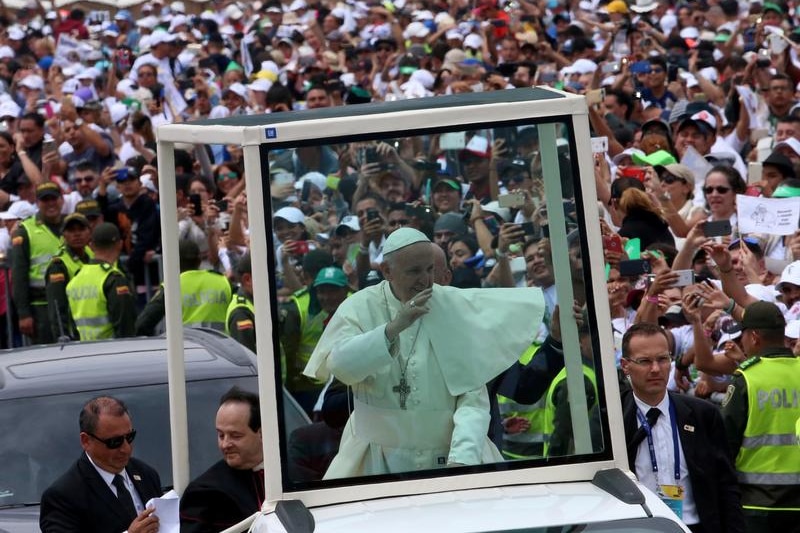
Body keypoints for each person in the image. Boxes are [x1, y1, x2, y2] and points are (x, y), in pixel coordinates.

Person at [304, 228, 545, 478]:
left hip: (450, 456)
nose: (426, 280)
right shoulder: (359, 306)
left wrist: (462, 459)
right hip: (375, 458)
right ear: (387, 271)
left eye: (430, 269)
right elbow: (341, 366)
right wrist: (391, 330)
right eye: (414, 271)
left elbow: (472, 397)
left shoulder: (454, 306)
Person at [621, 323, 744, 533]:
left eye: (662, 359)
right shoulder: (614, 419)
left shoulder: (703, 415)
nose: (655, 369)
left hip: (694, 525)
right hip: (638, 527)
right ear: (625, 365)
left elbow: (726, 485)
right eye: (644, 361)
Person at [721, 302, 800, 532]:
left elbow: (726, 444)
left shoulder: (747, 378)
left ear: (754, 337)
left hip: (758, 505)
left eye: (742, 335)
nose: (741, 342)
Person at [40, 396, 162, 533]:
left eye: (129, 437)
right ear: (86, 441)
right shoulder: (63, 496)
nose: (126, 448)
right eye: (114, 442)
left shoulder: (146, 475)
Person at [179, 386, 265, 533]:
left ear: (261, 433)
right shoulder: (204, 493)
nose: (225, 444)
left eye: (235, 436)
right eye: (221, 435)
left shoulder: (292, 475)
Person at [136, 240, 232, 335]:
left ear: (173, 262)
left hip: (185, 348)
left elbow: (142, 324)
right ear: (199, 261)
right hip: (220, 347)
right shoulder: (222, 281)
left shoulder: (171, 286)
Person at [11, 182, 65, 344]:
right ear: (37, 202)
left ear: (61, 200)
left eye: (53, 199)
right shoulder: (26, 230)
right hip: (41, 307)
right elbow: (19, 275)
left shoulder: (72, 225)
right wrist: (23, 314)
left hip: (71, 303)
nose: (50, 204)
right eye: (45, 200)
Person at [66, 223, 137, 340]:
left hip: (85, 352)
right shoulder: (114, 279)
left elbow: (72, 325)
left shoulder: (75, 279)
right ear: (120, 244)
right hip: (112, 352)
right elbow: (125, 327)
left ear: (91, 246)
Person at [45, 212, 93, 341]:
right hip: (73, 334)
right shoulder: (59, 264)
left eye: (81, 229)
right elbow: (57, 306)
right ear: (64, 235)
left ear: (89, 232)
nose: (77, 234)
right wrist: (62, 335)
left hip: (93, 331)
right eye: (71, 230)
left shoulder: (92, 255)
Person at [226, 251, 256, 354]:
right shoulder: (241, 314)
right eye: (267, 276)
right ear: (247, 279)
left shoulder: (256, 303)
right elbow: (248, 360)